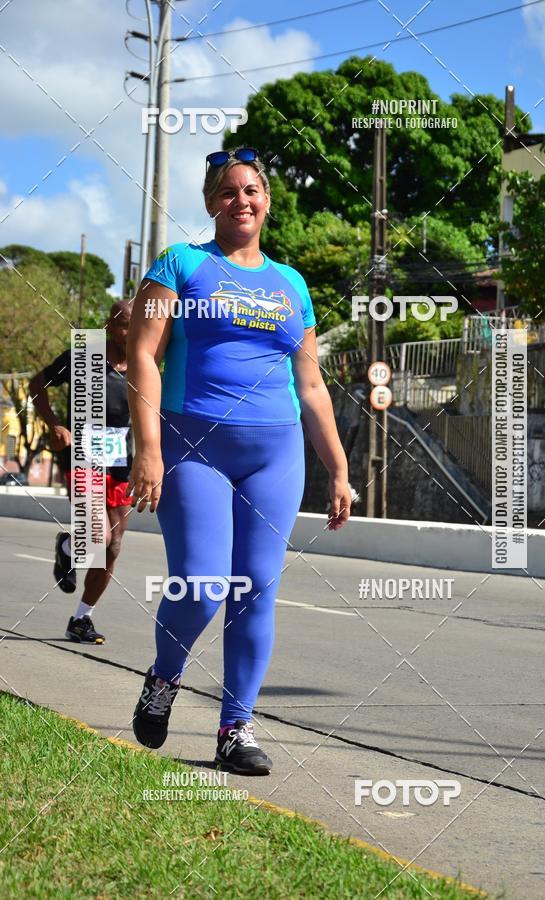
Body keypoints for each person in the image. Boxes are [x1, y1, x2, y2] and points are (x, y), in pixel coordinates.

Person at [127, 147, 351, 775]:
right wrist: (147, 447)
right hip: (191, 446)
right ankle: (164, 679)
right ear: (210, 203)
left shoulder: (292, 284)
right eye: (228, 191)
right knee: (201, 585)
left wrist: (338, 468)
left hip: (274, 454)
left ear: (267, 201)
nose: (242, 200)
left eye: (252, 190)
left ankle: (235, 729)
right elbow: (143, 355)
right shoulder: (179, 264)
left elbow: (310, 385)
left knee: (255, 593)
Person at [29, 300, 133, 644]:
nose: (130, 334)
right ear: (108, 325)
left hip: (120, 460)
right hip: (83, 454)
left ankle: (81, 618)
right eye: (124, 327)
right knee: (98, 537)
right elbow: (37, 384)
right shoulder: (86, 353)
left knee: (113, 546)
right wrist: (56, 425)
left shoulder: (144, 359)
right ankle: (71, 547)